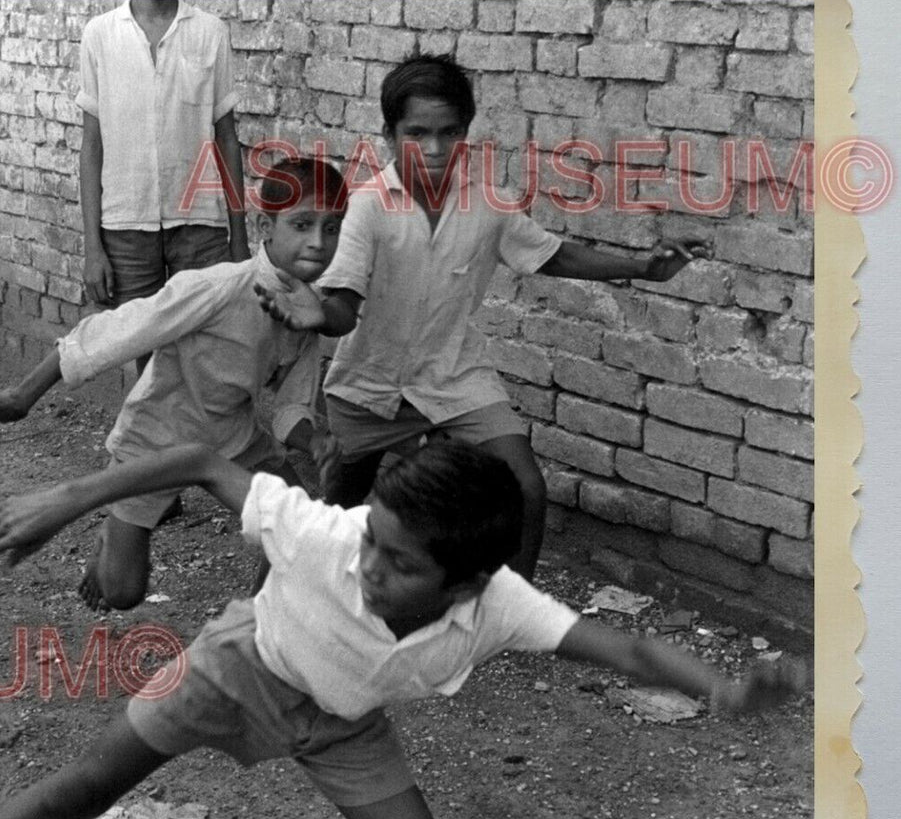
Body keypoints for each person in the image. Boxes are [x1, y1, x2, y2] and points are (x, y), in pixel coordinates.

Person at [0, 439, 807, 819]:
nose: (369, 566)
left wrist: (721, 691)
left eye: (398, 563)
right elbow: (197, 462)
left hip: (343, 721)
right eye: (373, 539)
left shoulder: (501, 606)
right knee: (83, 789)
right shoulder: (324, 534)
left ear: (469, 581)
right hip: (234, 667)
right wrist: (64, 499)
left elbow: (624, 648)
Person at [257, 53, 708, 580]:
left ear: (466, 132)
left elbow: (552, 254)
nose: (433, 149)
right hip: (368, 388)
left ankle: (508, 615)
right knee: (330, 514)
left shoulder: (486, 203)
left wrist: (643, 269)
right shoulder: (368, 207)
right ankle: (262, 608)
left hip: (454, 378)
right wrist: (316, 317)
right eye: (416, 133)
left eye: (449, 133)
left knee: (524, 487)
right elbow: (342, 309)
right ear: (388, 134)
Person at [0, 157, 347, 611]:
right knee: (123, 593)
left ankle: (253, 626)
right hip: (156, 437)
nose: (317, 243)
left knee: (299, 528)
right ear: (265, 225)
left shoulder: (309, 313)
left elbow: (291, 405)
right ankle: (109, 541)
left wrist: (316, 443)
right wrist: (24, 395)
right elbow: (120, 331)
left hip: (231, 437)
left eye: (332, 228)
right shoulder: (219, 288)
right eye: (303, 224)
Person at [77, 0, 248, 368]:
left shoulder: (210, 32)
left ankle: (204, 428)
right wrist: (93, 247)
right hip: (126, 227)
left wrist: (240, 238)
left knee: (207, 350)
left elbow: (227, 139)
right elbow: (92, 146)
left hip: (200, 225)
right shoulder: (100, 35)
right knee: (146, 359)